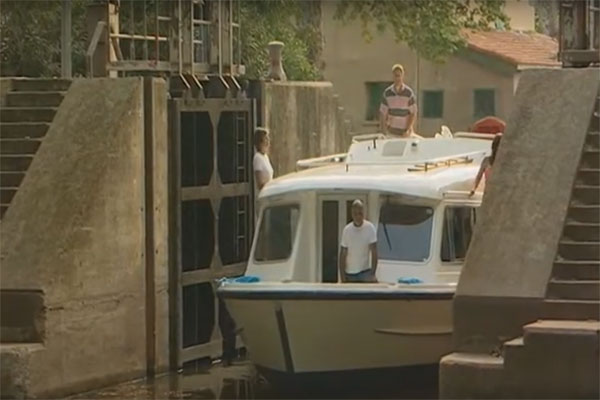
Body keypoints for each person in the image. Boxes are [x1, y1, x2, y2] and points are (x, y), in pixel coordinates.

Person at [339, 200, 378, 283]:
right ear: (352, 214)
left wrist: (373, 274)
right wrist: (342, 278)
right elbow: (343, 254)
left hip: (365, 272)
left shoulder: (370, 228)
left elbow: (374, 252)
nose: (358, 216)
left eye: (360, 213)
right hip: (350, 273)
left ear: (364, 213)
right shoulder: (347, 230)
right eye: (355, 214)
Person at [379, 64, 418, 137]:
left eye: (399, 76)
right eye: (395, 76)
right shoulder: (387, 93)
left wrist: (408, 129)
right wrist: (384, 131)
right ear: (393, 76)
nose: (397, 78)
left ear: (402, 76)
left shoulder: (409, 93)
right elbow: (383, 113)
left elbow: (413, 113)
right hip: (391, 133)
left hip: (405, 134)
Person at [253, 127, 274, 192]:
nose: (268, 141)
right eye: (265, 139)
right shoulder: (257, 158)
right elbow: (260, 183)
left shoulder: (265, 157)